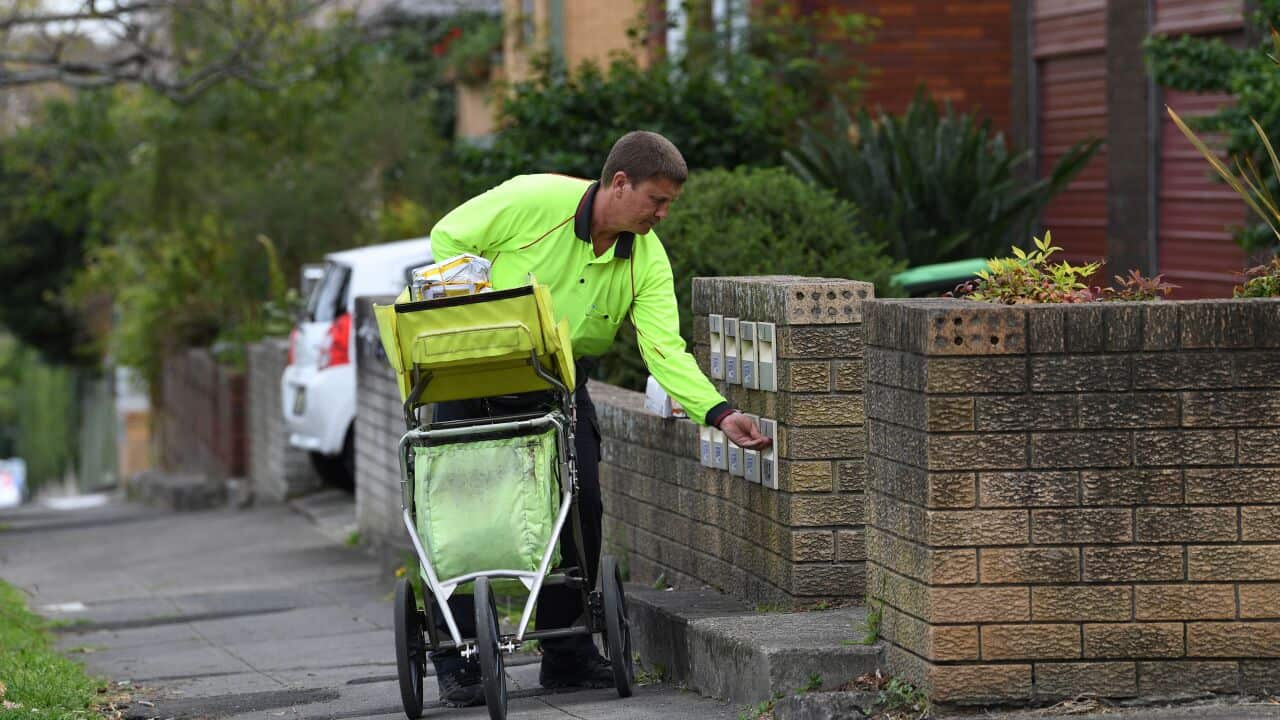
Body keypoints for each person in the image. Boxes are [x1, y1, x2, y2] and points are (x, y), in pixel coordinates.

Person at [425, 130, 771, 706]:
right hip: (478, 369)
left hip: (559, 381)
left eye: (669, 205)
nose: (662, 214)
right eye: (655, 201)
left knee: (581, 505)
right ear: (618, 183)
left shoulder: (646, 258)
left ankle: (566, 652)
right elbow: (448, 234)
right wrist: (487, 313)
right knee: (460, 510)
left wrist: (720, 412)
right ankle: (457, 654)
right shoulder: (534, 199)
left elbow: (663, 348)